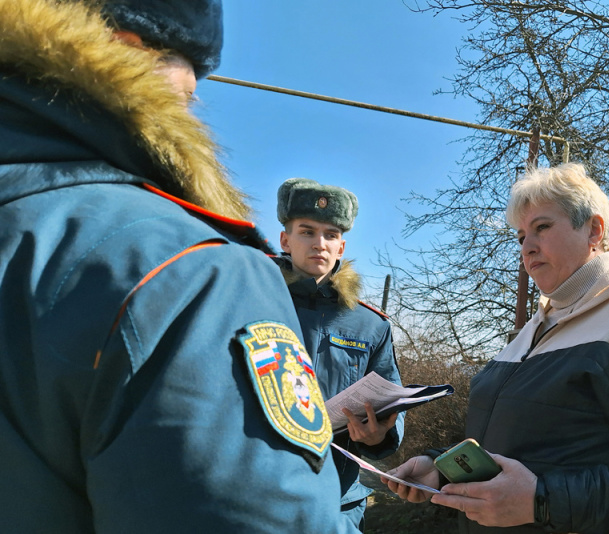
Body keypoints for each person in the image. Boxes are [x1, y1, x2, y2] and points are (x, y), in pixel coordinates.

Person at [0, 1, 358, 532]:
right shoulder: (195, 270)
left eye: (333, 235)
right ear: (125, 50)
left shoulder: (367, 324)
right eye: (188, 95)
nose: (188, 116)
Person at [383, 163, 609, 533]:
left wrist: (543, 501)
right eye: (520, 237)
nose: (528, 247)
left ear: (594, 230)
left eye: (543, 227)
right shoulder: (536, 326)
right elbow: (525, 447)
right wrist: (441, 468)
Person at [274, 177, 405, 530]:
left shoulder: (370, 325)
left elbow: (391, 398)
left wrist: (380, 435)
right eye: (307, 231)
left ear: (341, 246)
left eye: (331, 234)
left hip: (336, 502)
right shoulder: (249, 300)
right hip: (257, 491)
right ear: (285, 239)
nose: (320, 243)